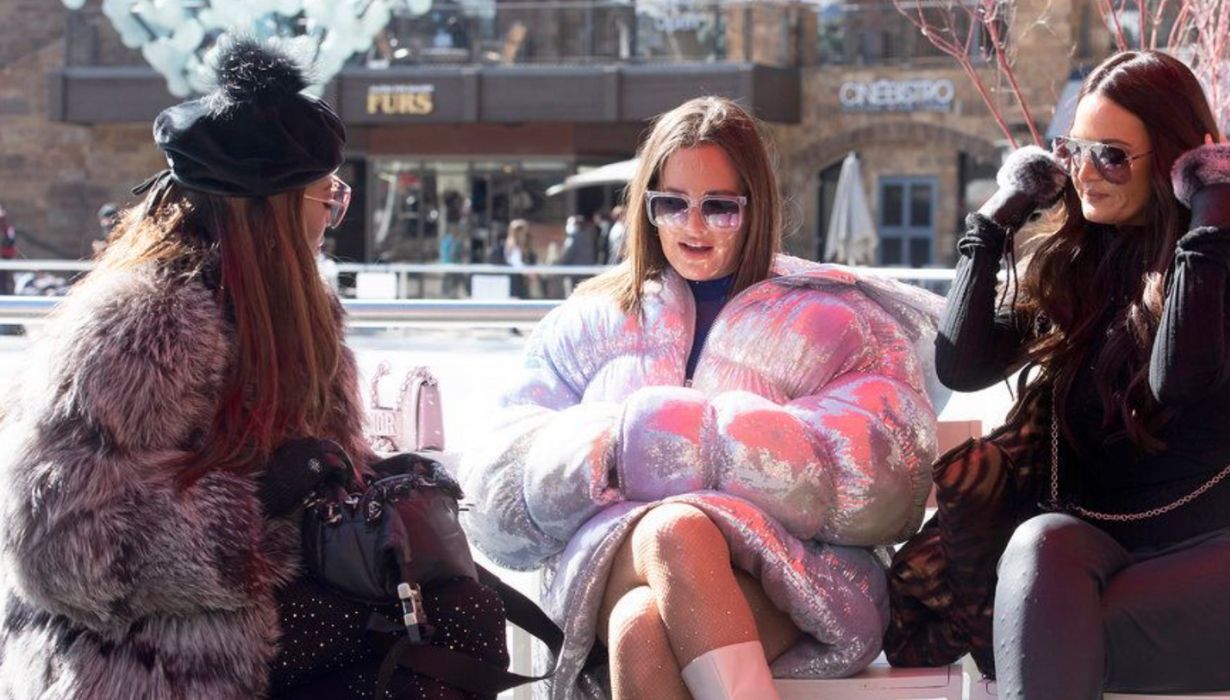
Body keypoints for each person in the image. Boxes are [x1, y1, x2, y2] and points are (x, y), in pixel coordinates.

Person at [884, 50, 1230, 699]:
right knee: (1039, 546)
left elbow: (1177, 377)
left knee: (1041, 630)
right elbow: (962, 362)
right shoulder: (1068, 279)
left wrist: (1214, 219)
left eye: (1113, 155)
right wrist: (996, 218)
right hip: (1095, 565)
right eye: (1074, 151)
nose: (1085, 173)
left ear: (1179, 163)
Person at [0, 38, 500, 699]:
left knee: (464, 610)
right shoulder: (144, 320)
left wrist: (375, 485)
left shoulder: (297, 310)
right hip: (144, 654)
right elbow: (57, 543)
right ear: (274, 208)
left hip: (256, 612)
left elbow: (315, 472)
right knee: (444, 635)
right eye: (328, 196)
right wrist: (259, 506)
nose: (333, 216)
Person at [462, 96, 943, 700]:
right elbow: (494, 495)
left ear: (755, 207)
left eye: (718, 207)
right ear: (647, 208)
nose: (692, 225)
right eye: (672, 204)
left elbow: (885, 476)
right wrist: (616, 450)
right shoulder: (586, 322)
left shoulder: (832, 319)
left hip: (780, 578)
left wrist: (674, 448)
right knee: (674, 532)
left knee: (641, 627)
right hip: (608, 564)